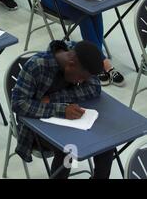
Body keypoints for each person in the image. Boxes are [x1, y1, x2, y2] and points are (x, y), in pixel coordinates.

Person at [12, 40, 114, 179]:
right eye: (81, 78)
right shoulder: (37, 66)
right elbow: (18, 104)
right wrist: (61, 110)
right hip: (35, 126)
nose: (80, 82)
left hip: (71, 123)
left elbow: (94, 88)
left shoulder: (77, 52)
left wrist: (54, 99)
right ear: (71, 65)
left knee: (106, 144)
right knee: (68, 150)